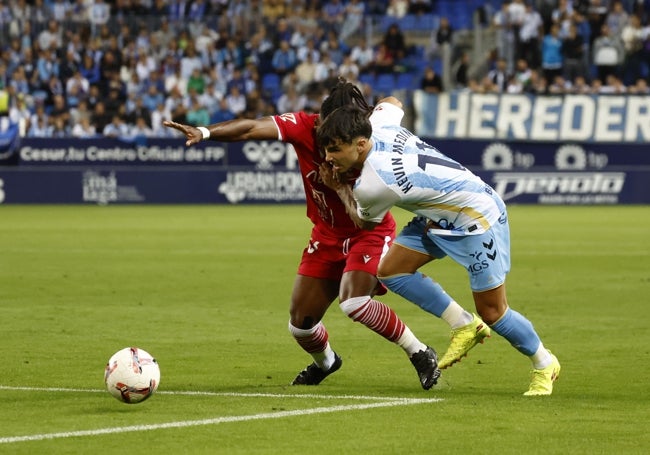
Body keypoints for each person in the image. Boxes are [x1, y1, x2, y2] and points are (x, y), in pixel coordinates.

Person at [163, 79, 441, 390]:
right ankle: (327, 362)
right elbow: (252, 129)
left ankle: (419, 353)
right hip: (326, 236)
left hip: (369, 231)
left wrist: (339, 183)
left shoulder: (368, 138)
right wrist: (206, 132)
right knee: (301, 326)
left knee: (355, 302)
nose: (326, 142)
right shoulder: (304, 126)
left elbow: (393, 104)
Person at [316, 100, 561, 396]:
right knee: (391, 271)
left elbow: (365, 224)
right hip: (442, 214)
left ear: (361, 143)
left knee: (494, 311)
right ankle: (464, 324)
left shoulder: (374, 183)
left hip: (476, 219)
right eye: (327, 150)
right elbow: (392, 102)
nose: (329, 158)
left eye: (335, 150)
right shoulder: (380, 124)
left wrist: (339, 188)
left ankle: (544, 363)